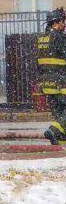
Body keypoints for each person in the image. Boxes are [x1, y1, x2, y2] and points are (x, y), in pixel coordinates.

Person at [37, 8, 66, 146]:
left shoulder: (42, 38)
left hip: (47, 83)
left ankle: (59, 145)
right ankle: (54, 130)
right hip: (61, 82)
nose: (64, 24)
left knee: (59, 112)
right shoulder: (60, 37)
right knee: (62, 115)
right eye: (63, 21)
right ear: (57, 22)